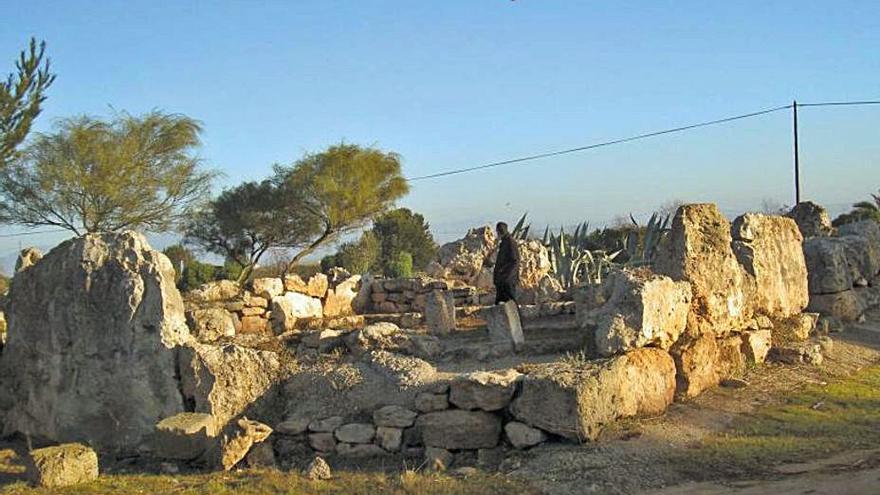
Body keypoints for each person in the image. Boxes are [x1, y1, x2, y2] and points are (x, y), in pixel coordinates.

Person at [493, 221, 520, 304]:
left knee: (511, 303)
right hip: (502, 281)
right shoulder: (504, 242)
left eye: (498, 231)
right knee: (500, 303)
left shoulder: (510, 242)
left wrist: (506, 275)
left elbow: (515, 261)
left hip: (508, 281)